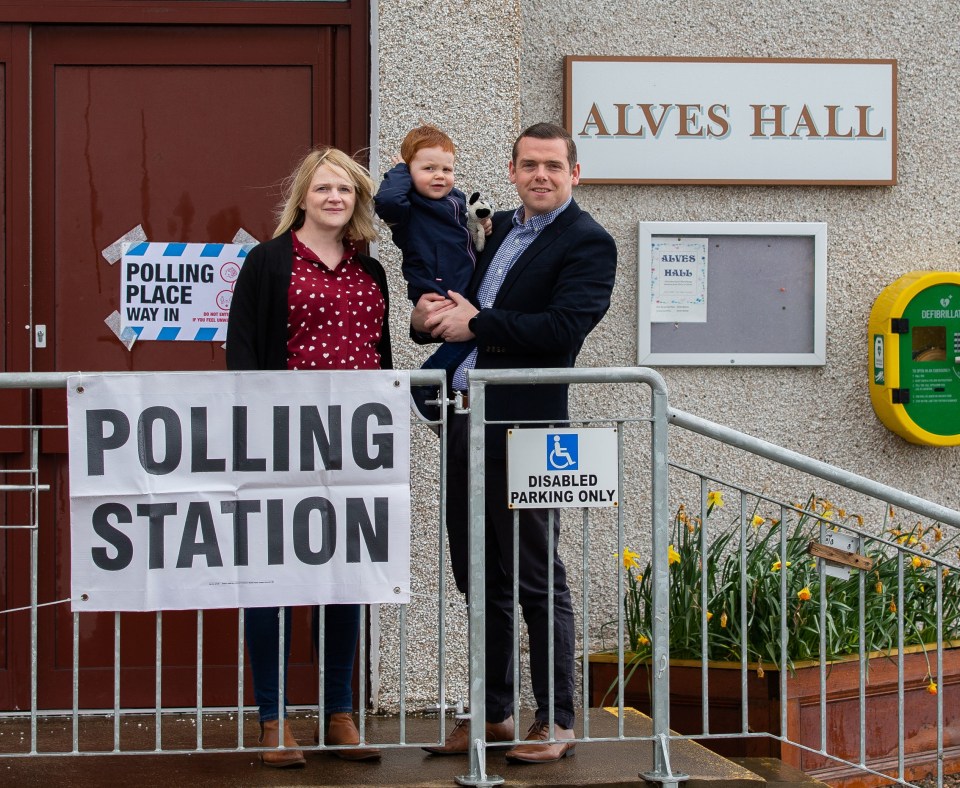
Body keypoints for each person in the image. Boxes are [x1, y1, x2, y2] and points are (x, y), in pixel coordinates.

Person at [412, 122, 617, 763]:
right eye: (529, 164)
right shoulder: (495, 228)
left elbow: (561, 330)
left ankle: (555, 721)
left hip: (528, 429)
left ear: (575, 174)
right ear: (512, 170)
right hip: (465, 420)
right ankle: (494, 714)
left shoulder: (589, 242)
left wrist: (477, 322)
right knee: (479, 577)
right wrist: (429, 319)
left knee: (536, 577)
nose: (541, 176)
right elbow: (460, 317)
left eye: (553, 166)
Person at [226, 146, 390, 768]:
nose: (334, 198)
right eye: (323, 188)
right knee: (272, 579)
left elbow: (380, 361)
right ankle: (273, 721)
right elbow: (242, 354)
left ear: (357, 203)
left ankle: (339, 715)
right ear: (302, 196)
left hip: (352, 447)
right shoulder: (267, 264)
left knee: (343, 578)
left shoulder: (368, 272)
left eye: (345, 191)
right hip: (280, 443)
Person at [374, 125, 488, 396]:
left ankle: (438, 388)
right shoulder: (408, 209)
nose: (440, 176)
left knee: (471, 338)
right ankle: (425, 384)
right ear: (409, 172)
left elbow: (463, 233)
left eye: (446, 170)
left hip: (462, 287)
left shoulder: (455, 200)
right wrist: (400, 169)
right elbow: (387, 200)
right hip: (436, 290)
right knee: (470, 337)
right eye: (428, 169)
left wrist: (481, 228)